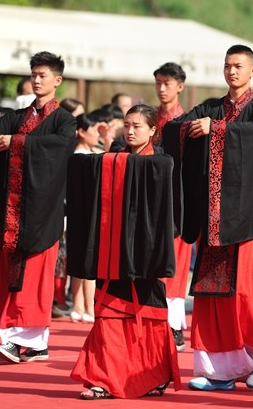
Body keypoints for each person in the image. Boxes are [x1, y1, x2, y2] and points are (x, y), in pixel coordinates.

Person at [164, 44, 253, 391]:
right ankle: (221, 370)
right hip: (212, 217)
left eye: (239, 66)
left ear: (252, 71)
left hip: (245, 216)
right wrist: (189, 130)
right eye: (228, 65)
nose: (232, 71)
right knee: (211, 294)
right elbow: (176, 128)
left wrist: (216, 130)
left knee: (245, 290)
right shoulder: (212, 106)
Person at [67, 104, 180, 399]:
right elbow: (83, 168)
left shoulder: (162, 163)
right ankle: (103, 379)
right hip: (113, 252)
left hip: (146, 253)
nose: (130, 131)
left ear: (153, 130)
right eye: (127, 125)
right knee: (108, 316)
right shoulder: (111, 162)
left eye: (137, 126)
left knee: (150, 316)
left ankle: (154, 374)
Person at [0, 51, 76, 363]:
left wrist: (17, 143)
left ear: (57, 81)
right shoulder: (18, 117)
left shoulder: (64, 120)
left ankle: (31, 342)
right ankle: (19, 340)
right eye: (33, 74)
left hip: (43, 214)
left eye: (43, 75)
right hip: (14, 213)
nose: (36, 80)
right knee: (11, 275)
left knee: (36, 277)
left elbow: (61, 149)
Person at [151, 61, 189, 351]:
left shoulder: (187, 123)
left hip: (178, 203)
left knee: (175, 266)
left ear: (180, 87)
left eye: (168, 84)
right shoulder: (147, 119)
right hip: (150, 202)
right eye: (159, 83)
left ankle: (174, 326)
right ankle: (152, 321)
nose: (162, 89)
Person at [68, 114, 102, 325]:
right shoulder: (79, 156)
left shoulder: (92, 153)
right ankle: (85, 306)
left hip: (86, 213)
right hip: (84, 212)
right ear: (81, 131)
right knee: (86, 261)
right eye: (94, 130)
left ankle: (82, 305)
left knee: (82, 262)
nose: (97, 134)